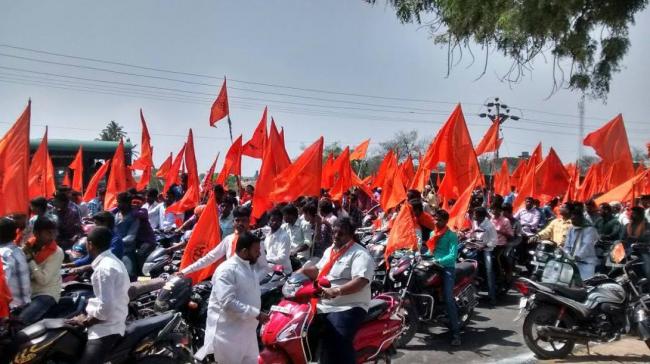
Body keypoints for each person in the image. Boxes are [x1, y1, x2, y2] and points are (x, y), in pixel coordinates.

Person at [299, 217, 374, 364]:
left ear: (351, 235)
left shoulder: (360, 254)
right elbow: (319, 270)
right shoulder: (330, 250)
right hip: (323, 304)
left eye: (341, 233)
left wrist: (337, 291)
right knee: (302, 333)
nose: (335, 236)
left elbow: (361, 281)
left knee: (338, 340)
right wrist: (301, 272)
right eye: (334, 232)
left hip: (348, 306)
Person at [195, 231, 267, 363]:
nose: (260, 254)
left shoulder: (249, 268)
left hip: (247, 333)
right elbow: (228, 303)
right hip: (228, 337)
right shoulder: (227, 270)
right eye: (256, 250)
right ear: (245, 251)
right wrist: (256, 314)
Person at [65, 226, 130, 364]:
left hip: (107, 328)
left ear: (90, 245)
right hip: (109, 319)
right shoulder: (113, 261)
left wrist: (86, 321)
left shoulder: (104, 269)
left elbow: (106, 309)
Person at [180, 206, 269, 280]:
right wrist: (185, 271)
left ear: (249, 222)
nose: (240, 223)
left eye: (244, 220)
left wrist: (252, 281)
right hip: (229, 281)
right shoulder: (228, 239)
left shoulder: (256, 242)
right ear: (233, 222)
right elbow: (210, 257)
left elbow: (264, 268)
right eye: (237, 220)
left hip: (248, 287)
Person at [423, 209, 461, 346]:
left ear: (445, 221)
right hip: (433, 266)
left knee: (448, 298)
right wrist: (421, 255)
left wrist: (439, 261)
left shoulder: (451, 235)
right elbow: (430, 250)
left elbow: (452, 256)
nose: (436, 221)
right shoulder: (433, 233)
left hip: (447, 268)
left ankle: (456, 333)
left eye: (438, 220)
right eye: (435, 219)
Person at [19, 217, 64, 325]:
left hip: (45, 293)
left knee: (20, 322)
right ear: (36, 233)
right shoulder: (27, 247)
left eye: (53, 233)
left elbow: (43, 280)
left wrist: (30, 260)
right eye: (48, 233)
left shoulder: (57, 252)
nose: (52, 236)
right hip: (27, 293)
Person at [114, 192, 155, 279]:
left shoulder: (136, 215)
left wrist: (114, 242)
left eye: (119, 202)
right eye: (117, 202)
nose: (117, 204)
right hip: (113, 248)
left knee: (138, 258)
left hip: (140, 242)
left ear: (127, 204)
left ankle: (144, 272)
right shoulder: (115, 214)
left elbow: (131, 237)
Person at [0, 217, 31, 310]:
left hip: (13, 306)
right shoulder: (18, 250)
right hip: (24, 301)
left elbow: (3, 282)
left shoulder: (3, 254)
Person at [563, 203, 599, 280]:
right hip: (572, 263)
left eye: (574, 219)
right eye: (572, 219)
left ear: (580, 218)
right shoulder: (571, 229)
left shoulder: (590, 230)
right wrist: (567, 254)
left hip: (586, 264)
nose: (572, 221)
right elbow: (567, 245)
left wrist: (577, 257)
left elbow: (587, 246)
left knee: (585, 285)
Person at [470, 207, 498, 305]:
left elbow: (494, 240)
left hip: (487, 249)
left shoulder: (489, 226)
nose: (473, 216)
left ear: (481, 216)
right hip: (475, 247)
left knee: (489, 270)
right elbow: (473, 233)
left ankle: (492, 296)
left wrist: (484, 246)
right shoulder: (474, 222)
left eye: (475, 214)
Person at [622, 206, 650, 279]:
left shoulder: (647, 225)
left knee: (647, 268)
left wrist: (638, 240)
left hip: (642, 251)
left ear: (641, 215)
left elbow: (647, 238)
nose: (632, 215)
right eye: (632, 213)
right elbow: (622, 238)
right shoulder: (627, 225)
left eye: (635, 213)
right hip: (628, 250)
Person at [262, 208, 292, 273]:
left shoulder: (284, 236)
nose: (275, 222)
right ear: (268, 221)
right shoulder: (268, 233)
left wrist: (264, 259)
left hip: (283, 271)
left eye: (278, 220)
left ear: (281, 222)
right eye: (272, 220)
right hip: (270, 268)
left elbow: (282, 258)